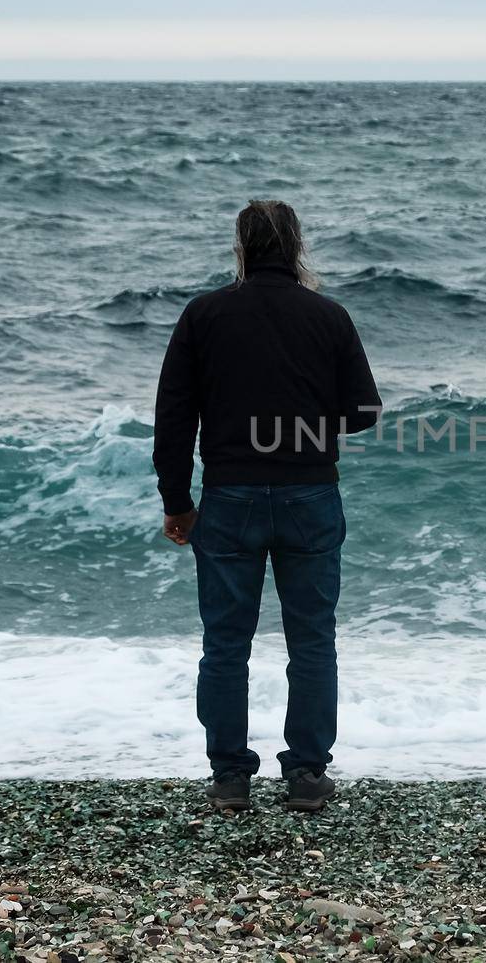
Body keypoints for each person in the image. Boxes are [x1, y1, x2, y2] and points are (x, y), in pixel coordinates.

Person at [152, 201, 380, 812]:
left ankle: (230, 776)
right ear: (297, 245)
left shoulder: (203, 315)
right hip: (310, 493)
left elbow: (173, 418)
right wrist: (306, 419)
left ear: (241, 248)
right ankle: (306, 772)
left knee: (225, 642)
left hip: (230, 496)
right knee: (312, 640)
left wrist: (177, 501)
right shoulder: (329, 316)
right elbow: (363, 414)